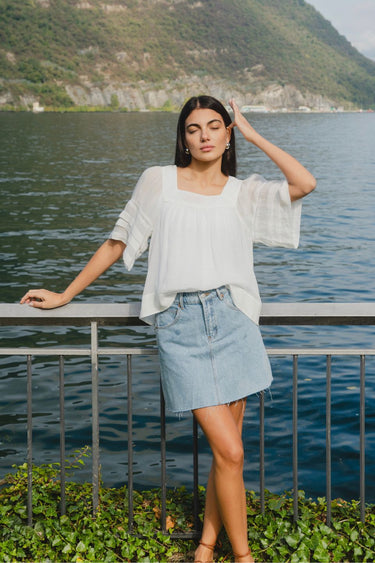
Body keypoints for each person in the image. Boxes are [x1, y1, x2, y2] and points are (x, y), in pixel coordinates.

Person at [21, 96, 316, 562]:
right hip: (179, 325)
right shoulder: (158, 182)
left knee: (228, 454)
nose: (204, 135)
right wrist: (66, 295)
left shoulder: (241, 192)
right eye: (194, 128)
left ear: (227, 134)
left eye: (215, 126)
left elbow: (305, 183)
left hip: (234, 317)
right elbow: (119, 242)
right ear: (183, 137)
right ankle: (243, 558)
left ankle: (206, 544)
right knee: (232, 453)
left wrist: (255, 134)